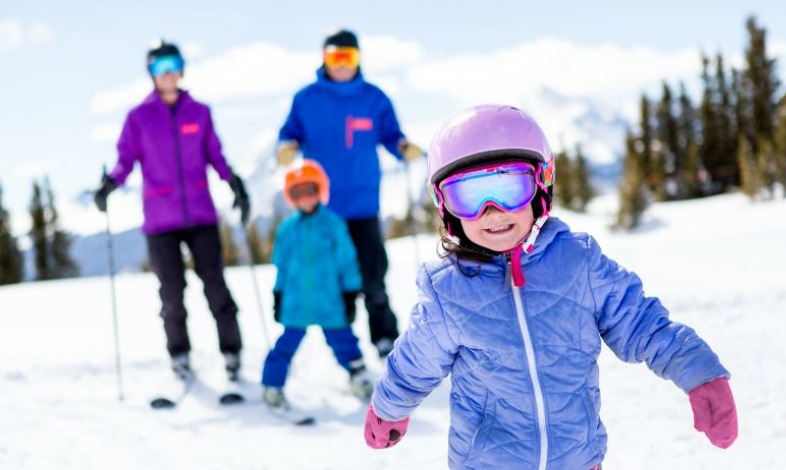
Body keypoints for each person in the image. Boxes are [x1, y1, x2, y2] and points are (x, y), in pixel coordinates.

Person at [363, 105, 738, 468]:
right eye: (469, 196)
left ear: (540, 186)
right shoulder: (448, 291)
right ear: (446, 207)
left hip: (577, 461)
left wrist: (697, 370)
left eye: (509, 188)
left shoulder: (578, 263)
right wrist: (389, 408)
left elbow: (641, 323)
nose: (492, 211)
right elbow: (415, 361)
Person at [93, 40, 250, 382]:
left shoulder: (199, 112)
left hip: (200, 214)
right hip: (160, 219)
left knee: (216, 286)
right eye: (159, 68)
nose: (167, 74)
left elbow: (215, 154)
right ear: (151, 73)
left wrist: (232, 181)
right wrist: (110, 183)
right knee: (172, 294)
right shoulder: (139, 117)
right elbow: (125, 160)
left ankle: (232, 351)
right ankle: (179, 354)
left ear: (181, 69)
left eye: (172, 65)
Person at [276, 29, 425, 358]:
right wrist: (286, 146)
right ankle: (345, 346)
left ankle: (384, 337)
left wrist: (403, 147)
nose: (342, 64)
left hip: (363, 203)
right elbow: (290, 133)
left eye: (349, 56)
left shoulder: (373, 98)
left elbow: (391, 134)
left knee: (373, 277)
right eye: (335, 56)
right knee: (333, 280)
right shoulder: (306, 99)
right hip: (323, 208)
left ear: (358, 59)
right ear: (324, 58)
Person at [261, 160, 375, 408]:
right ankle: (272, 385)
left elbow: (347, 261)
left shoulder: (333, 224)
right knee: (285, 346)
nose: (305, 198)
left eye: (310, 190)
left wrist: (351, 292)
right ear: (291, 197)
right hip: (296, 303)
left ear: (320, 190)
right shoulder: (287, 230)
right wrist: (278, 294)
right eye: (297, 193)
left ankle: (359, 377)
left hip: (329, 300)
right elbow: (281, 267)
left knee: (344, 341)